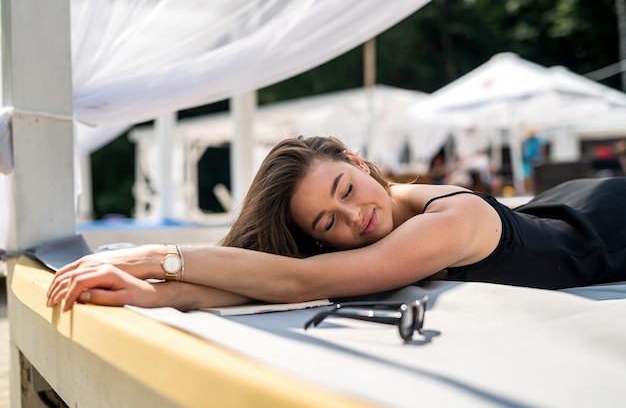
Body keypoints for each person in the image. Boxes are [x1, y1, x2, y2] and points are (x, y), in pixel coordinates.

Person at [46, 136, 626, 313]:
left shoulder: (452, 218)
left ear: (354, 161)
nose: (355, 217)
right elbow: (290, 278)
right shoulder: (360, 244)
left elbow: (301, 283)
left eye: (346, 189)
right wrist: (150, 295)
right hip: (549, 210)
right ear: (319, 237)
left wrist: (159, 259)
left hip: (607, 217)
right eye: (330, 221)